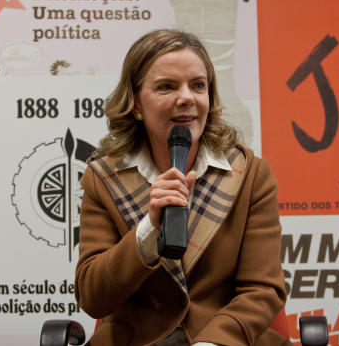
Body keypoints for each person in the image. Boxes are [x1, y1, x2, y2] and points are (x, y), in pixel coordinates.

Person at [75, 29, 288, 345]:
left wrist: (213, 342)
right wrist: (148, 230)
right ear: (135, 104)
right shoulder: (103, 178)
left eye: (198, 85)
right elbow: (93, 297)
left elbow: (262, 290)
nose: (187, 97)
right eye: (166, 87)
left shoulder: (250, 174)